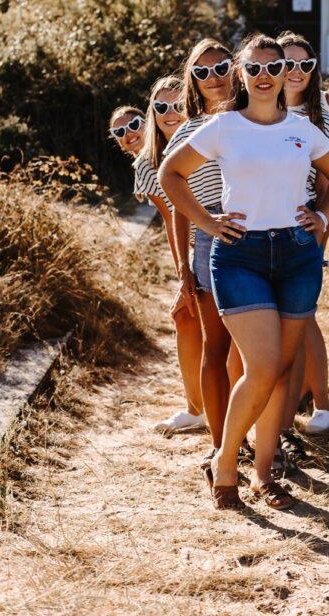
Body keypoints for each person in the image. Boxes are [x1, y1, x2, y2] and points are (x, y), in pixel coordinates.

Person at [159, 33, 329, 512]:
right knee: (262, 365)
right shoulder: (223, 128)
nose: (266, 75)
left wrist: (323, 216)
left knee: (283, 370)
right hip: (240, 256)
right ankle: (226, 460)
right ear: (241, 75)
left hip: (296, 254)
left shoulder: (304, 130)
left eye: (274, 67)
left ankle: (263, 477)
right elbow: (170, 174)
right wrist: (206, 222)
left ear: (284, 73)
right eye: (255, 67)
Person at [162, 38, 239, 465]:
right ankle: (219, 446)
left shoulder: (256, 119)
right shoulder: (189, 131)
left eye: (221, 67)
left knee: (257, 349)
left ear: (236, 68)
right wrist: (183, 269)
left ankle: (260, 436)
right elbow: (176, 200)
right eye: (202, 72)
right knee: (217, 346)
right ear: (193, 79)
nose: (213, 78)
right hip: (211, 236)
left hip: (260, 229)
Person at [278, 31, 329, 439]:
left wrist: (320, 219)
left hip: (298, 230)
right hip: (255, 230)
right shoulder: (254, 109)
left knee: (301, 317)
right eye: (287, 63)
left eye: (305, 65)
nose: (295, 72)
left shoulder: (320, 119)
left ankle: (318, 406)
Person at [132, 77, 206, 434]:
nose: (169, 113)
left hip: (221, 234)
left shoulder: (205, 137)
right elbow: (169, 215)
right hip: (192, 244)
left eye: (177, 105)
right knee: (185, 315)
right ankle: (197, 406)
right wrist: (183, 271)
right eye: (160, 108)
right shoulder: (149, 163)